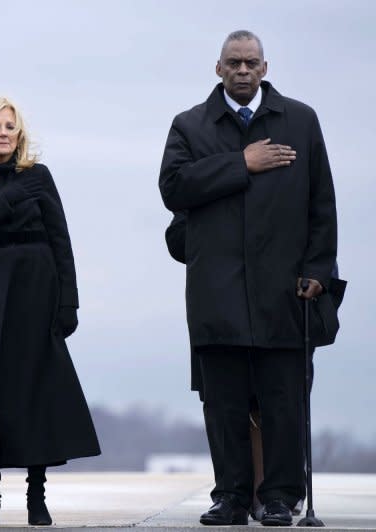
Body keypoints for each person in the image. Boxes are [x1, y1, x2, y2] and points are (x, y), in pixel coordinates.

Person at [159, 30, 337, 527]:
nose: (242, 70)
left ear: (265, 67)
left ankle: (279, 497)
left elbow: (321, 203)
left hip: (284, 289)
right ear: (218, 68)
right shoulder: (189, 126)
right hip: (217, 292)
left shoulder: (300, 121)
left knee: (284, 399)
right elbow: (173, 188)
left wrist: (318, 270)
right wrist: (242, 163)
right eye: (233, 62)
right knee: (225, 403)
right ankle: (232, 497)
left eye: (251, 62)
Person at [0, 97, 100, 526]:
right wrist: (13, 194)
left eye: (10, 127)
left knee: (37, 390)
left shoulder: (40, 175)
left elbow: (61, 240)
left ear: (19, 133)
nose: (3, 133)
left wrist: (69, 300)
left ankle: (37, 495)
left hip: (38, 290)